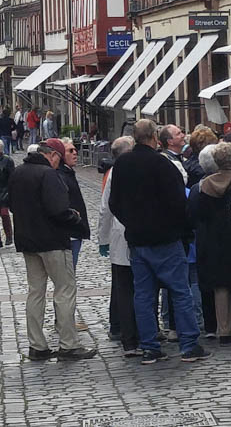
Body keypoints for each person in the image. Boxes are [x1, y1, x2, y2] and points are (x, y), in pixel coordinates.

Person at [108, 118, 209, 364]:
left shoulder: (122, 164)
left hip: (137, 240)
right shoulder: (162, 166)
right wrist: (180, 230)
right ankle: (188, 344)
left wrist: (131, 222)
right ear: (154, 137)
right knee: (179, 291)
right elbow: (178, 203)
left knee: (143, 295)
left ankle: (150, 346)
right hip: (165, 239)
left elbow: (114, 203)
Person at [8, 143, 96, 360]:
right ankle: (68, 344)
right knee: (64, 290)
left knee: (35, 292)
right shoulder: (48, 174)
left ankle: (37, 345)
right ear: (52, 155)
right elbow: (57, 209)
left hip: (28, 241)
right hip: (53, 241)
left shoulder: (18, 172)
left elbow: (11, 205)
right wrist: (74, 217)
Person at [188, 142, 231, 345]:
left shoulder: (201, 187)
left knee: (221, 287)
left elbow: (193, 214)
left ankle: (224, 330)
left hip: (213, 242)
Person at [98, 136, 140, 356]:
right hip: (138, 235)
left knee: (124, 288)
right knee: (139, 287)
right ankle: (139, 333)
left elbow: (105, 208)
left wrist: (102, 239)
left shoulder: (115, 173)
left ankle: (128, 335)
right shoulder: (135, 170)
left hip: (120, 235)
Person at [50, 138, 90, 268]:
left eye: (75, 150)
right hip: (69, 232)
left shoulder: (68, 173)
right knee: (68, 273)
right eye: (70, 150)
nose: (75, 153)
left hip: (74, 231)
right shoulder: (61, 175)